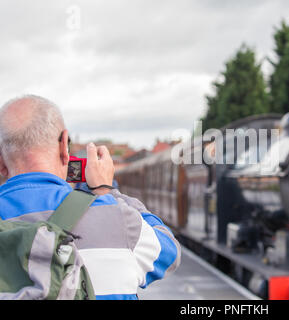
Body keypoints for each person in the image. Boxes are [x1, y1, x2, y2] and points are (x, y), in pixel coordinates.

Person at [0, 95, 181, 300]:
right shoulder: (119, 219)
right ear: (63, 148)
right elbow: (170, 253)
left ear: (0, 159)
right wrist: (106, 191)